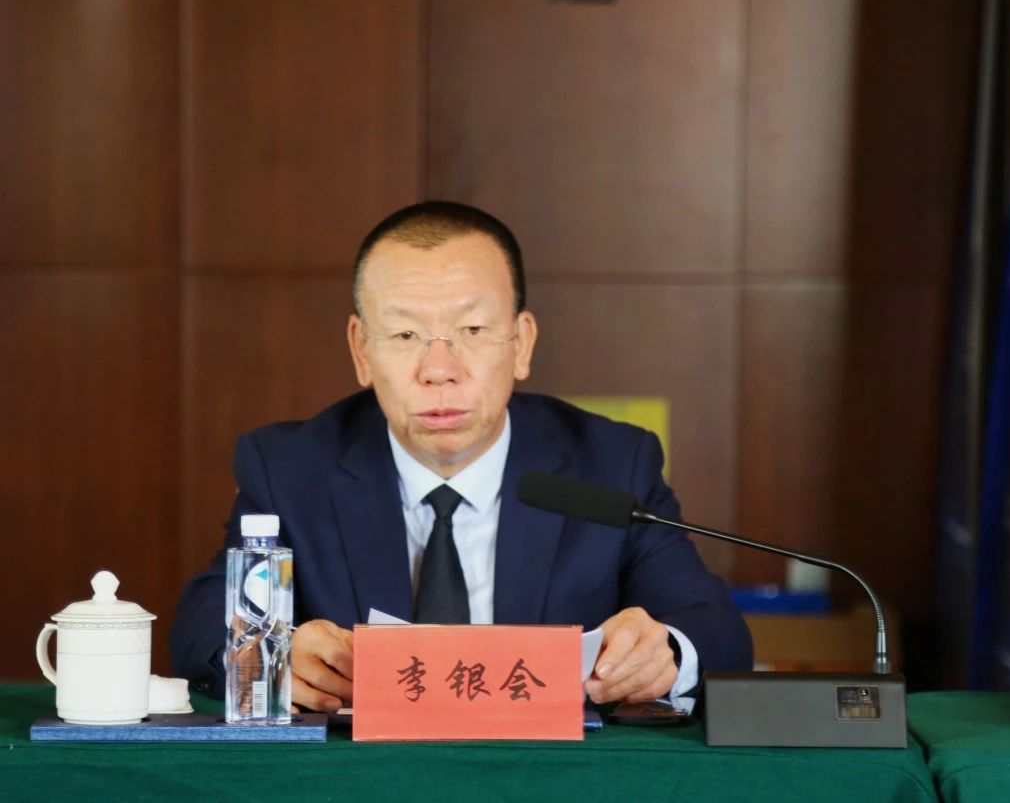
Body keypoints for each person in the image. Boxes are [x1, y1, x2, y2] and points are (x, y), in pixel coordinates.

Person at [171, 201, 752, 712]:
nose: (439, 370)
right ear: (361, 351)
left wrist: (666, 651)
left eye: (473, 330)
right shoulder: (290, 468)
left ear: (521, 343)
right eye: (405, 336)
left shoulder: (610, 464)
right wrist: (271, 652)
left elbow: (713, 628)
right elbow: (201, 626)